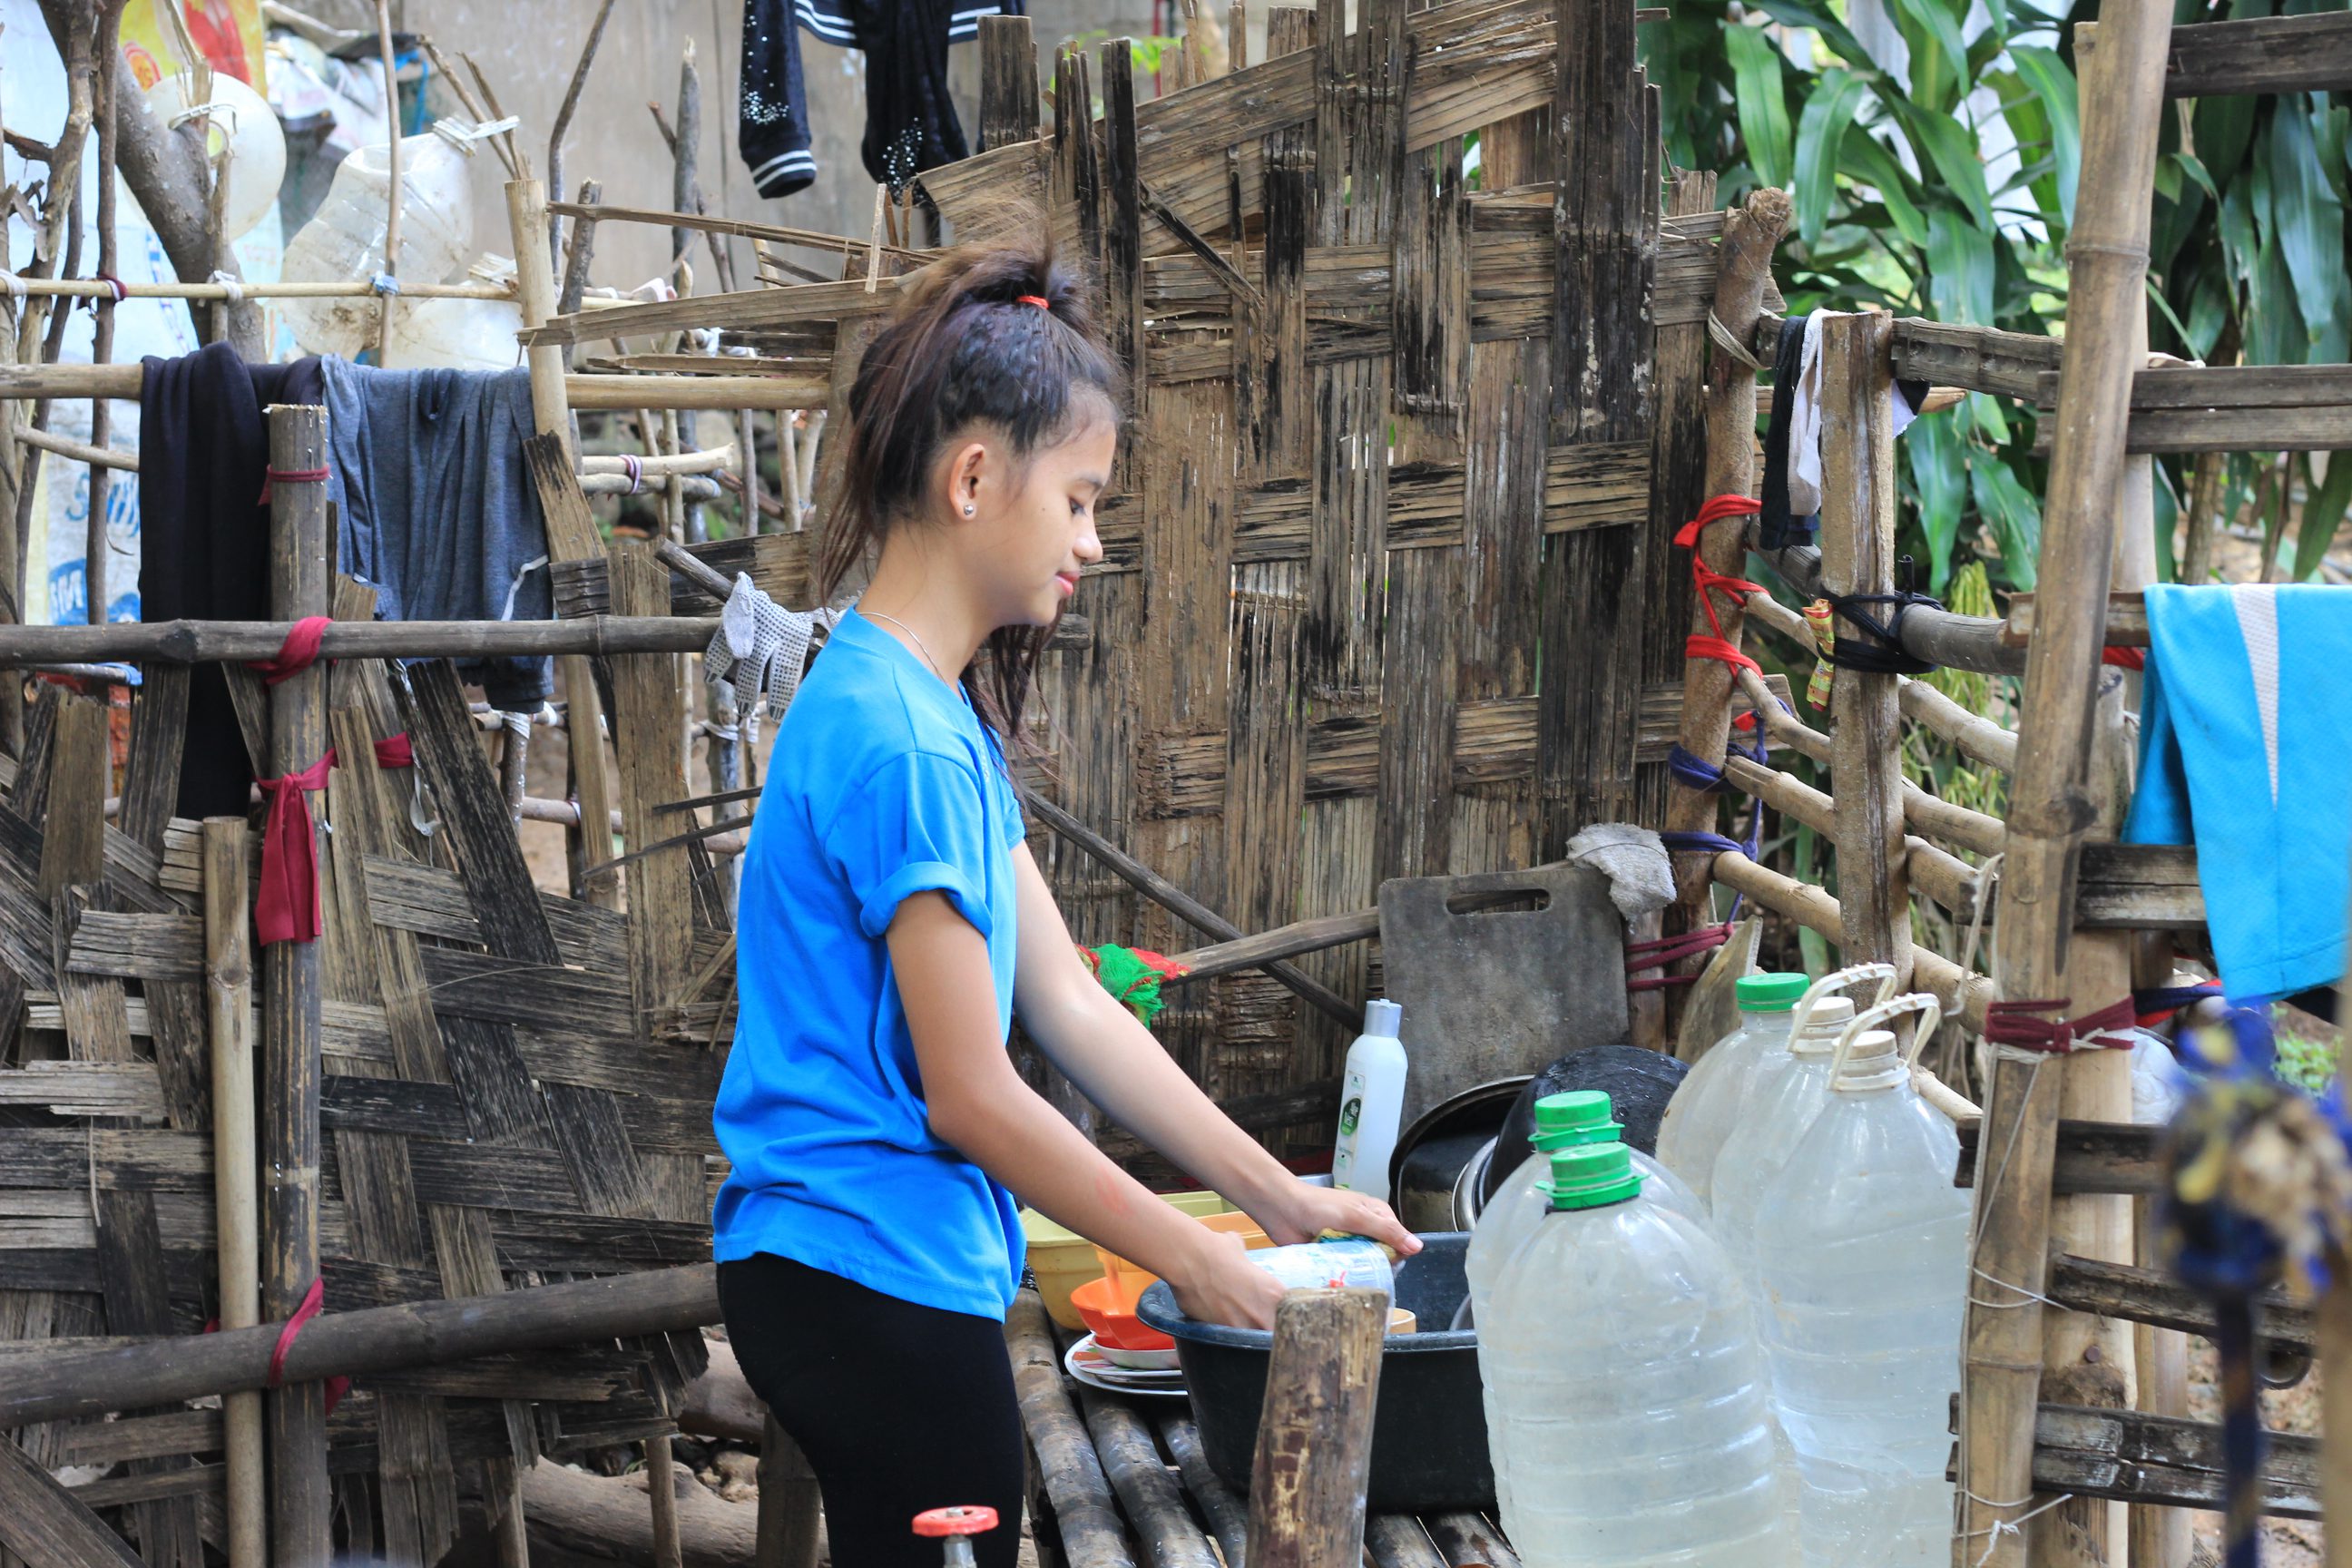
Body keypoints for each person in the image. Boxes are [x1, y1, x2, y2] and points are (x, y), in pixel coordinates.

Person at [713, 233, 1418, 1568]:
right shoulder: (904, 743)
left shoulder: (923, 712)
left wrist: (1276, 1200)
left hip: (852, 1272)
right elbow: (971, 1095)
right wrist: (1193, 1264)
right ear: (975, 478)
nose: (1094, 543)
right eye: (1083, 500)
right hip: (865, 1279)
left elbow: (1072, 1006)